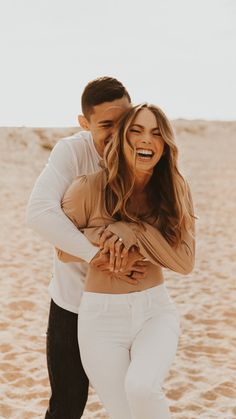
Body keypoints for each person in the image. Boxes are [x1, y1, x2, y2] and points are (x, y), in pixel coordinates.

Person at [57, 103, 196, 418]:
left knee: (143, 388)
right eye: (136, 131)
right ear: (120, 139)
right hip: (100, 321)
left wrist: (133, 229)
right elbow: (63, 250)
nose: (147, 139)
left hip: (154, 313)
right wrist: (101, 234)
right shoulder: (87, 188)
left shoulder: (175, 190)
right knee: (126, 414)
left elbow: (185, 262)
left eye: (156, 133)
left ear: (164, 145)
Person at [26, 77, 148, 419]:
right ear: (85, 123)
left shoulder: (144, 152)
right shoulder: (72, 151)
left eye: (124, 121)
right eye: (106, 124)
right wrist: (96, 252)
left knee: (136, 400)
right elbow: (38, 213)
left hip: (128, 305)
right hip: (72, 303)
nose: (118, 131)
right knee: (66, 404)